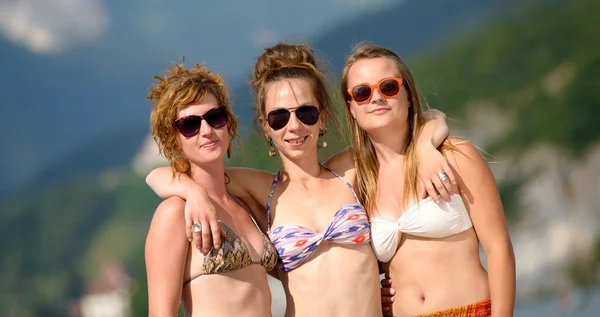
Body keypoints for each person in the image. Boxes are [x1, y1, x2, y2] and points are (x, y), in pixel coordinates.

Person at [145, 43, 454, 316]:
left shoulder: (349, 171)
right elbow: (158, 176)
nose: (293, 126)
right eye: (279, 118)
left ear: (322, 117)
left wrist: (426, 147)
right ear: (265, 127)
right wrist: (192, 192)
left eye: (305, 113)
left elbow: (424, 120)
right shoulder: (261, 190)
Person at [341, 44, 516, 317]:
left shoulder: (454, 157)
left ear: (408, 96)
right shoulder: (357, 181)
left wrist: (424, 145)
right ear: (351, 107)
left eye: (388, 86)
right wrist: (369, 292)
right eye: (362, 92)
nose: (376, 98)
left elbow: (499, 249)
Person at [144, 61, 278, 317]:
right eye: (190, 124)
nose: (206, 131)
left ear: (228, 123)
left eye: (215, 117)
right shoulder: (173, 213)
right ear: (173, 138)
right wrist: (194, 192)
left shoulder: (243, 202)